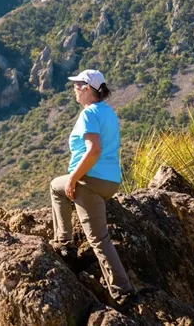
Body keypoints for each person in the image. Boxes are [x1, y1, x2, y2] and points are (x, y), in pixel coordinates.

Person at [49, 69, 136, 305]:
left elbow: (93, 149)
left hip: (90, 181)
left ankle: (122, 290)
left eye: (77, 86)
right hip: (111, 182)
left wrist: (74, 178)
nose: (74, 90)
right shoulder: (108, 112)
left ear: (87, 89)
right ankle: (64, 241)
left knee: (98, 238)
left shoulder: (88, 114)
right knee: (58, 187)